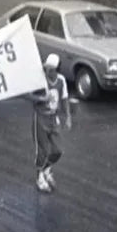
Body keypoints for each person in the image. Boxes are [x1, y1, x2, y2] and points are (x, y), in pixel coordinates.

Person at [30, 54, 72, 193]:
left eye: (52, 69)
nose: (49, 71)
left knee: (58, 150)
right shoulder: (39, 80)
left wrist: (68, 116)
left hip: (53, 119)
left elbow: (64, 98)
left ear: (57, 70)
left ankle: (46, 168)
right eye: (48, 68)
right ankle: (39, 177)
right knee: (42, 151)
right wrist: (41, 98)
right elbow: (28, 96)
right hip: (40, 118)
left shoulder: (61, 81)